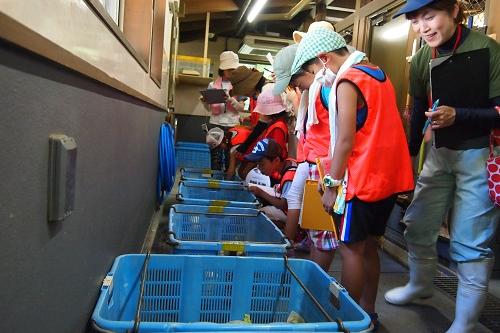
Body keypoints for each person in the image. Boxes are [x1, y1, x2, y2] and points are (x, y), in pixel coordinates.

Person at [383, 1, 500, 332]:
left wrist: (458, 114)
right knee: (418, 223)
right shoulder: (422, 57)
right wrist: (406, 156)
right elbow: (419, 106)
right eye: (416, 21)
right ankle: (421, 285)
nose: (423, 28)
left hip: (481, 155)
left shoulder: (488, 49)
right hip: (437, 152)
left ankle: (464, 322)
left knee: (470, 241)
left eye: (430, 17)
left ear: (454, 11)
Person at [291, 27, 414, 329]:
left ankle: (346, 321)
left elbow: (345, 139)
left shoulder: (347, 80)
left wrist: (331, 184)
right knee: (369, 245)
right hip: (389, 178)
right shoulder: (376, 72)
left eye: (312, 70)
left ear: (324, 58)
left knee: (350, 250)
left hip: (363, 179)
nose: (317, 76)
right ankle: (367, 312)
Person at [273, 43, 338, 270]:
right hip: (315, 164)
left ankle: (314, 289)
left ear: (308, 69)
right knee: (317, 232)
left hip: (325, 168)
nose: (294, 88)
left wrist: (331, 178)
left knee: (324, 237)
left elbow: (341, 135)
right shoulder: (316, 90)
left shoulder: (329, 89)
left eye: (294, 82)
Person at [200, 51, 245, 170]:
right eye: (229, 69)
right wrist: (204, 102)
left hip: (233, 125)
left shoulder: (239, 85)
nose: (232, 72)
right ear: (222, 69)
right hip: (215, 124)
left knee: (231, 158)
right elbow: (208, 108)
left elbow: (242, 107)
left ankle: (228, 184)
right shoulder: (212, 85)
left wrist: (230, 99)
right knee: (215, 158)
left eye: (234, 69)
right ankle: (215, 184)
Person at [244, 138, 297, 227]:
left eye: (262, 164)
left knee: (257, 215)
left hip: (291, 216)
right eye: (258, 164)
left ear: (276, 160)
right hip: (286, 210)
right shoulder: (289, 162)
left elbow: (283, 205)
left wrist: (260, 192)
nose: (259, 168)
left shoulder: (289, 176)